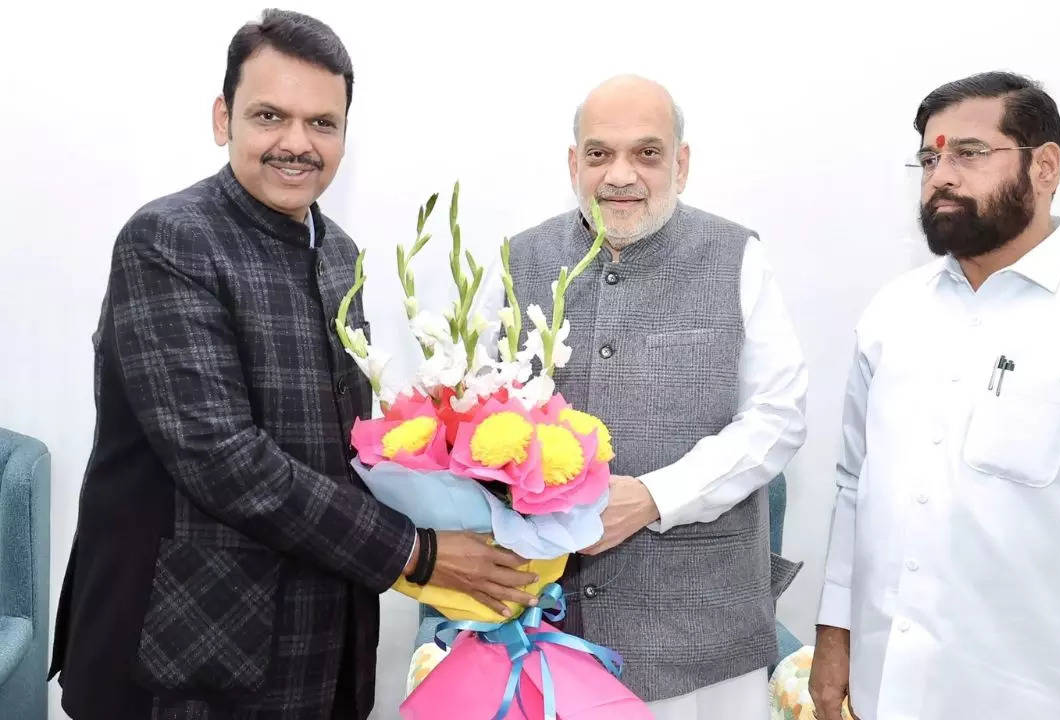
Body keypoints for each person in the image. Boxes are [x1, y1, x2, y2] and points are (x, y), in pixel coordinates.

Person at [49, 10, 534, 718]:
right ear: (224, 118)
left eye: (322, 123)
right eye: (270, 116)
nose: (297, 144)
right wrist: (418, 553)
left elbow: (343, 452)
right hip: (185, 648)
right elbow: (225, 459)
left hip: (321, 637)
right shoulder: (168, 242)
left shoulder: (338, 253)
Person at [809, 71, 1060, 720]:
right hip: (888, 693)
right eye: (929, 157)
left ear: (1045, 166)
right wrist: (834, 641)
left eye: (968, 153)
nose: (941, 174)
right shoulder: (891, 315)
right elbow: (854, 487)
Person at [496, 74, 809, 719]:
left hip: (706, 639)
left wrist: (655, 497)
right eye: (599, 153)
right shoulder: (518, 261)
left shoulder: (736, 256)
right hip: (552, 631)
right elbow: (487, 420)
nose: (621, 175)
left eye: (647, 153)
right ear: (573, 163)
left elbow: (778, 416)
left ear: (681, 163)